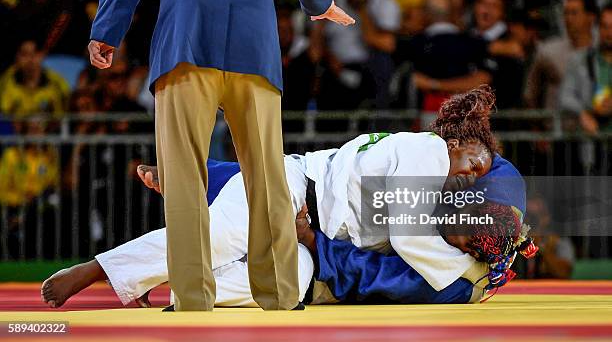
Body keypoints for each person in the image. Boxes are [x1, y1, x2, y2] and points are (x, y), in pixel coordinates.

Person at [43, 86, 510, 307]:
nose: (471, 176)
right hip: (290, 189)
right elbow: (409, 242)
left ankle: (169, 288)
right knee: (223, 237)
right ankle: (97, 269)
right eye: (474, 162)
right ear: (456, 142)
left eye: (479, 175)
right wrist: (471, 276)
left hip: (308, 226)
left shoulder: (429, 198)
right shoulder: (428, 152)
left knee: (287, 288)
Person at [87, 0, 354, 311]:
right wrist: (321, 3)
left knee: (184, 180)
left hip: (187, 46)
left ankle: (192, 299)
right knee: (267, 178)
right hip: (255, 53)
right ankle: (279, 294)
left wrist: (107, 30)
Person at [560, 5, 612, 134]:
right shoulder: (580, 59)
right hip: (591, 140)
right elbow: (564, 97)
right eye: (605, 26)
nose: (609, 33)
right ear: (598, 28)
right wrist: (582, 112)